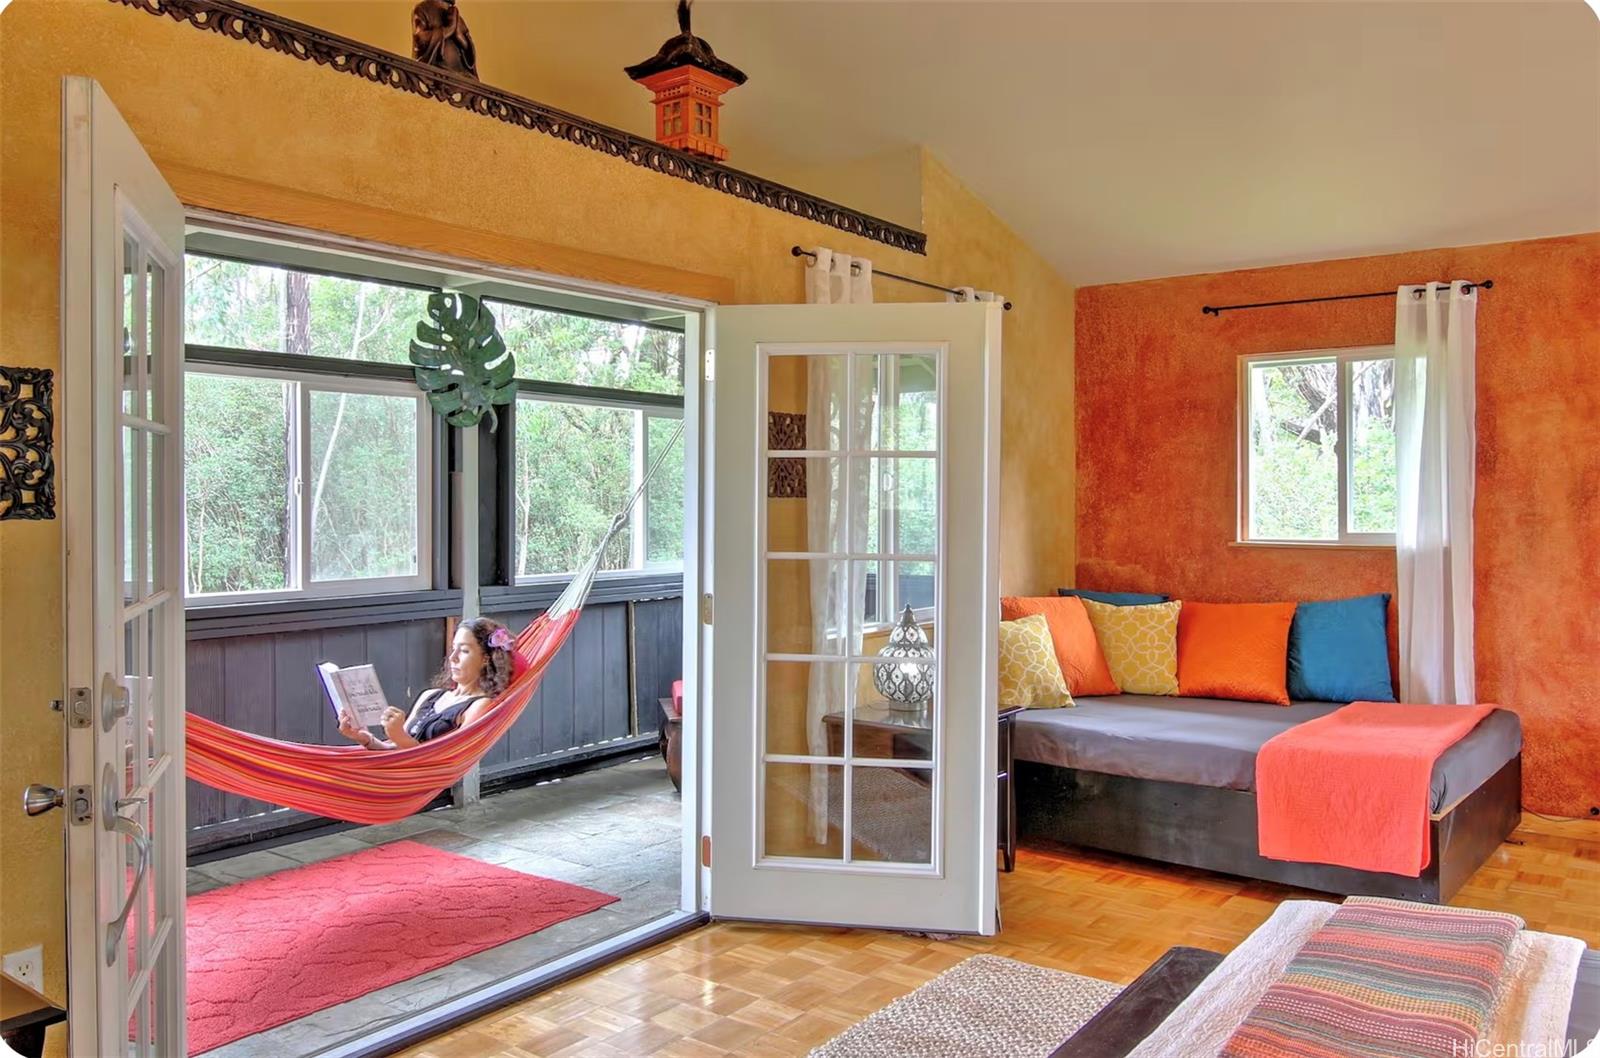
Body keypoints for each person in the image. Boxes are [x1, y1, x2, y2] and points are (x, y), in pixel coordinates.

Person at [340, 617, 515, 750]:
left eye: (464, 651)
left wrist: (399, 735)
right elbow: (393, 751)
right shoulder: (431, 695)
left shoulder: (480, 705)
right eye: (453, 649)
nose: (453, 658)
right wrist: (365, 738)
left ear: (485, 659)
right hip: (391, 777)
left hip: (408, 782)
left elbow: (441, 760)